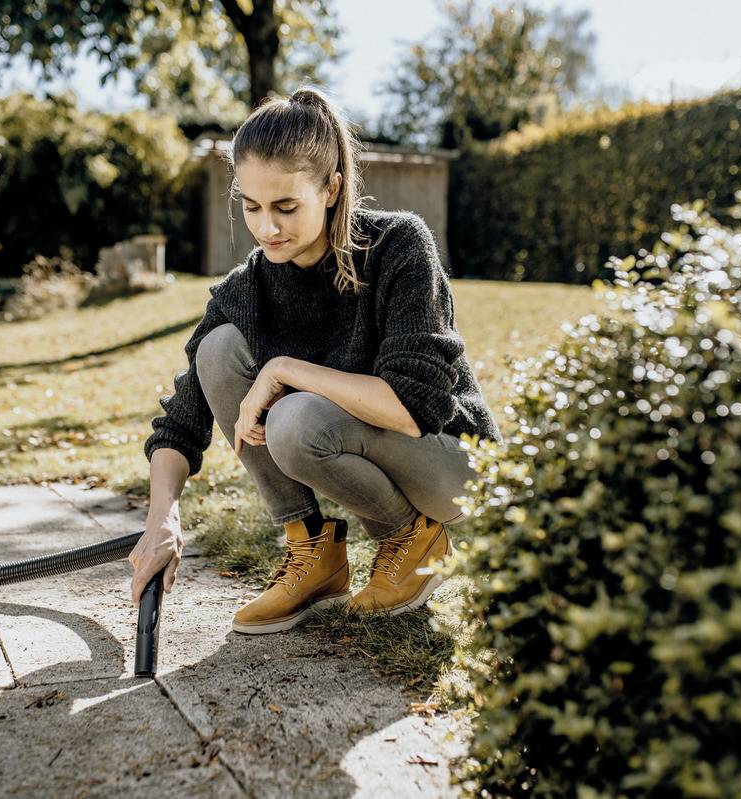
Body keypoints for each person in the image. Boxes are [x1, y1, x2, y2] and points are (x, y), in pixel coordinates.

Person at [128, 85, 503, 634]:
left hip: (450, 462)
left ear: (331, 188)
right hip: (357, 438)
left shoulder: (399, 245)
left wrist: (285, 370)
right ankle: (313, 552)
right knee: (218, 348)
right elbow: (181, 420)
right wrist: (162, 516)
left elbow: (413, 407)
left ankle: (413, 538)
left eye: (285, 207)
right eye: (251, 207)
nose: (266, 229)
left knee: (294, 418)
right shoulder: (249, 286)